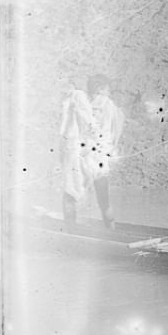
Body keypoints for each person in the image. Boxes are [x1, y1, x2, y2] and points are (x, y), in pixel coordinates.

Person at [60, 74, 124, 228]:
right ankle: (111, 229)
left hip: (82, 156)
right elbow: (118, 125)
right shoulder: (109, 106)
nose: (109, 91)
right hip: (98, 157)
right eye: (107, 88)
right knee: (103, 196)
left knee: (70, 192)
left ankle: (70, 228)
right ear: (100, 89)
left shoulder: (81, 102)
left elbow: (69, 130)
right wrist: (112, 144)